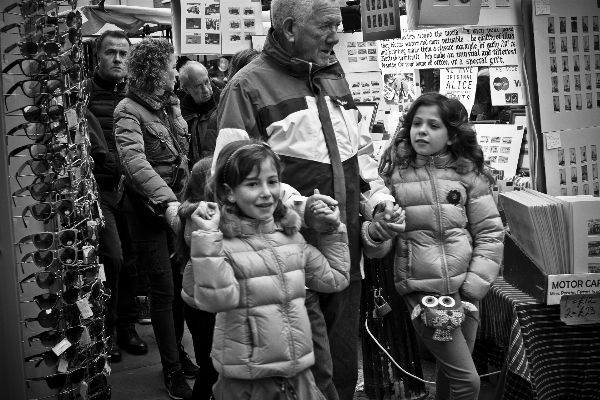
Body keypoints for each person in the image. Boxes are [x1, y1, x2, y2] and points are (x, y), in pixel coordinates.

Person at [213, 0, 397, 398]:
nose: (337, 35)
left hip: (344, 261)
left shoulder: (333, 76)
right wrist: (300, 210)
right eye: (327, 25)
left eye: (340, 25)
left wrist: (379, 203)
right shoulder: (246, 87)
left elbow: (360, 160)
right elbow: (229, 185)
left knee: (343, 369)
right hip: (286, 268)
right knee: (308, 380)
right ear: (292, 27)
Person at [182, 140, 351, 399]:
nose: (266, 192)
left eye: (272, 182)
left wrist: (331, 230)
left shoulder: (291, 239)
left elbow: (336, 279)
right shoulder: (220, 245)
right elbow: (215, 299)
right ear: (229, 192)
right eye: (252, 183)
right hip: (248, 384)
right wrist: (206, 238)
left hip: (297, 378)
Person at [371, 93, 504, 400]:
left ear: (452, 133)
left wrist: (472, 286)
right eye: (417, 123)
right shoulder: (394, 176)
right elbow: (379, 223)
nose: (422, 131)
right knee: (467, 382)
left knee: (451, 372)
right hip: (423, 290)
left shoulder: (467, 174)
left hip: (466, 289)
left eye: (433, 125)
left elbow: (489, 233)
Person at [114, 38, 193, 400]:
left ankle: (179, 353)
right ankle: (172, 368)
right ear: (154, 70)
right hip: (147, 211)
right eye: (171, 65)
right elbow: (134, 163)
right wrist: (169, 202)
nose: (175, 72)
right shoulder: (127, 109)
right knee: (163, 291)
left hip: (177, 208)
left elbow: (182, 157)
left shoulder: (172, 105)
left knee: (179, 287)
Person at [84, 30, 145, 363]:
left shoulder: (137, 94)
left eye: (124, 53)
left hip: (132, 189)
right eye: (111, 52)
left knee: (133, 260)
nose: (118, 59)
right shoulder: (82, 95)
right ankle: (105, 330)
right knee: (112, 258)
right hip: (99, 190)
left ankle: (127, 327)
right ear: (98, 55)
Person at [178, 61, 221, 164]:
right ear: (186, 90)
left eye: (207, 82)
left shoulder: (224, 104)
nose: (205, 89)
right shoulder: (179, 115)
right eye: (198, 86)